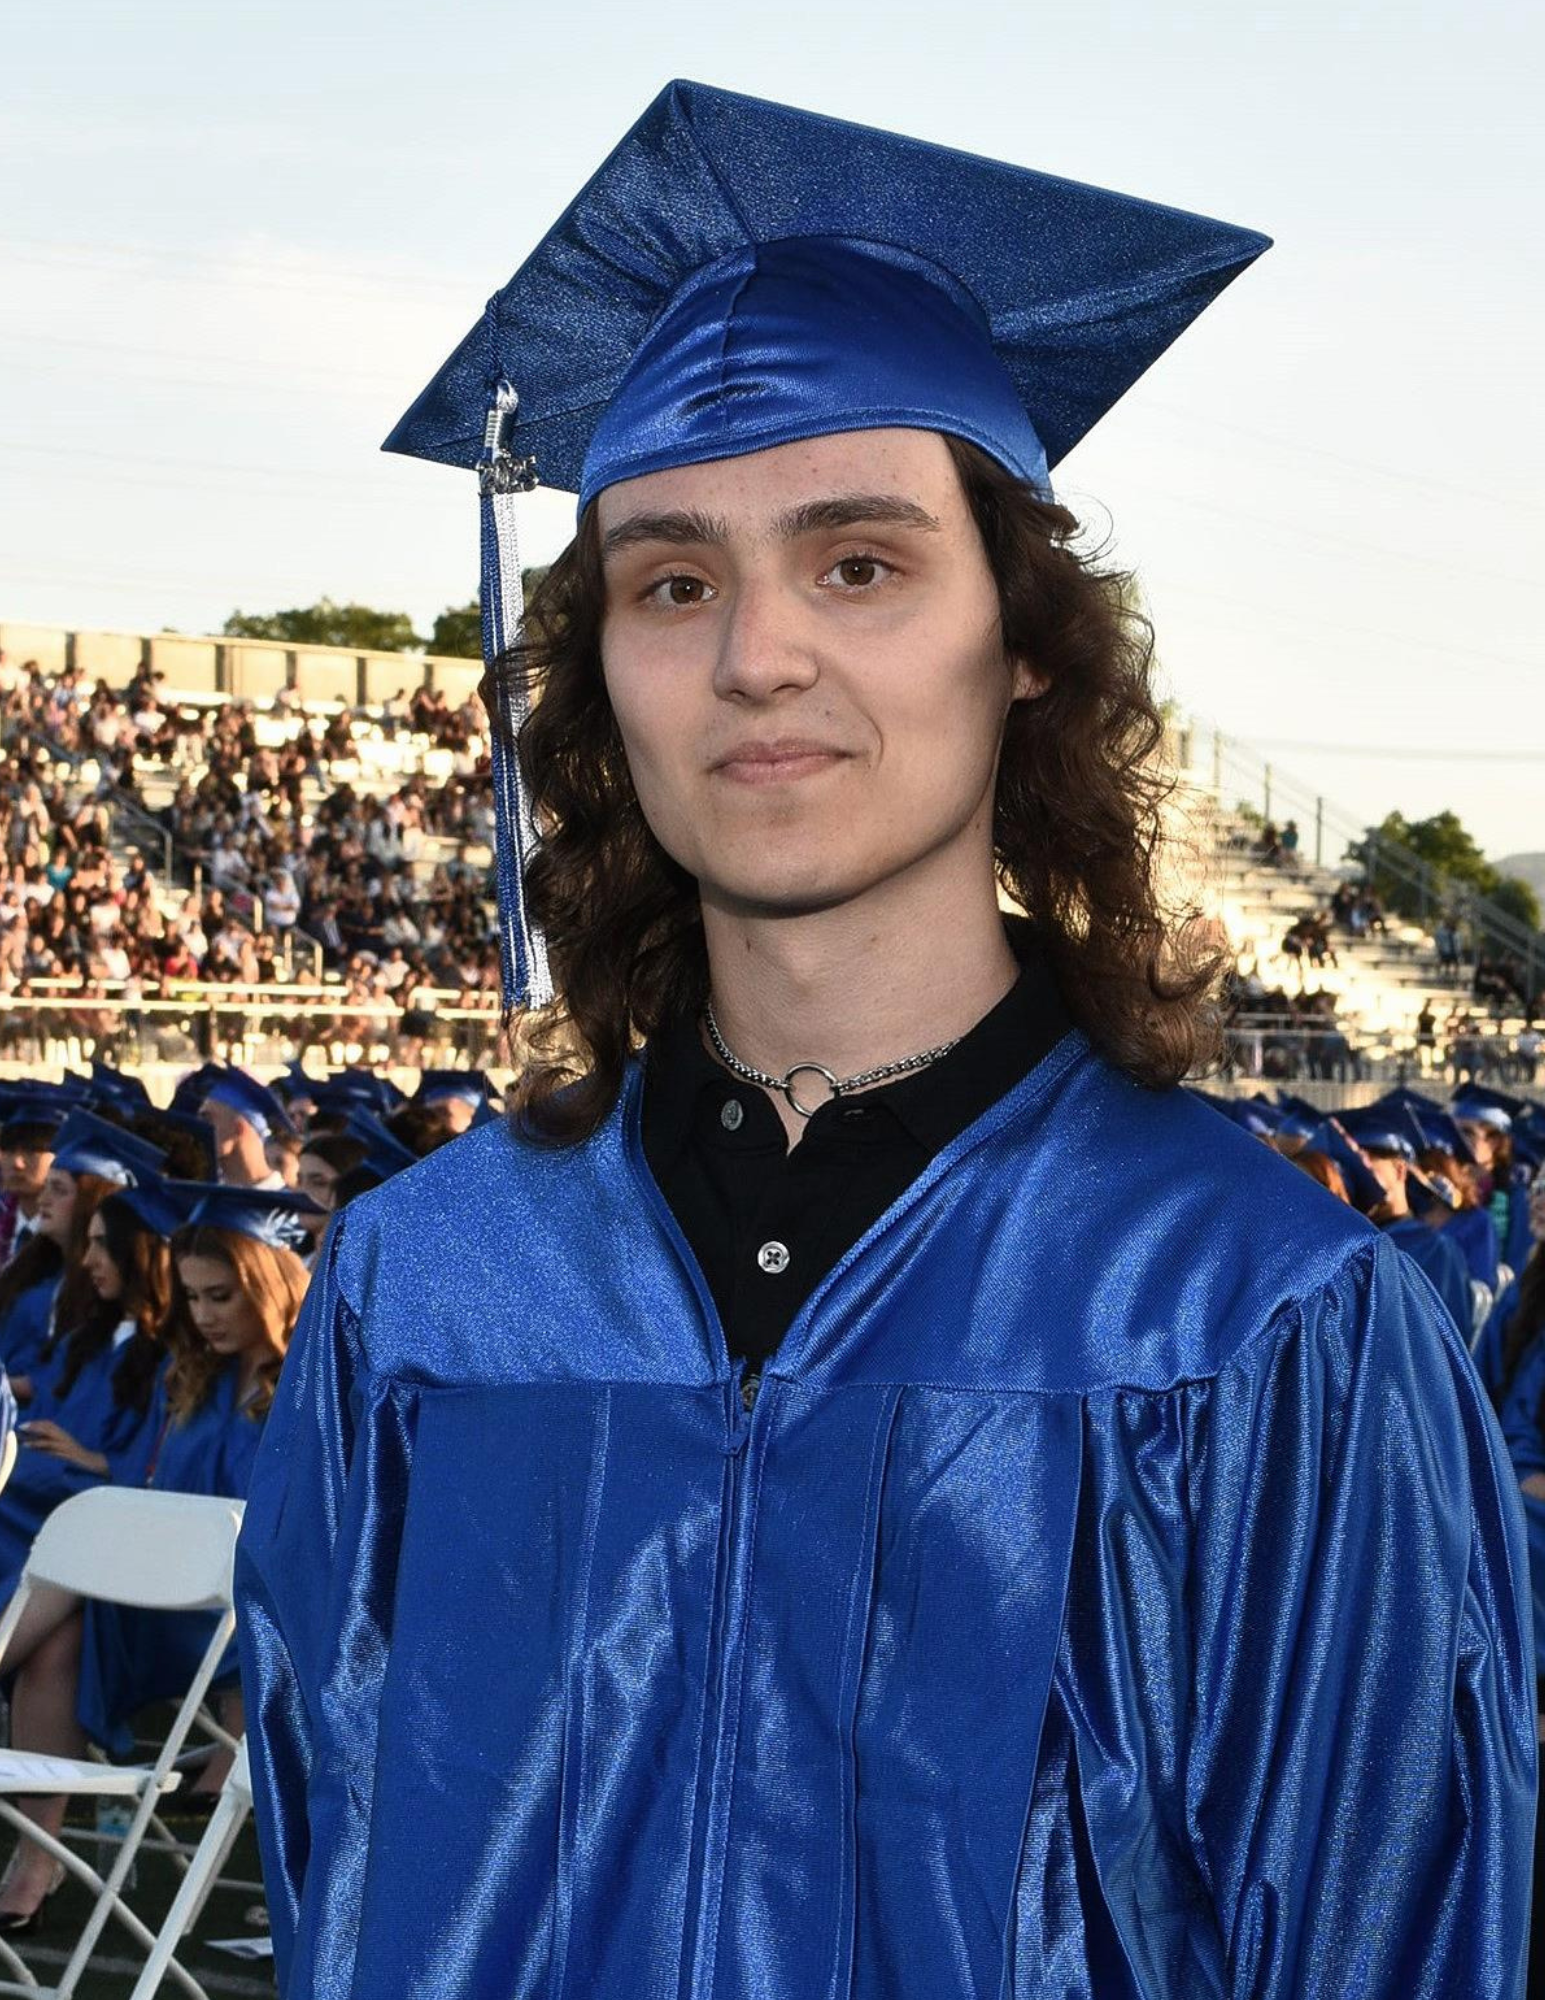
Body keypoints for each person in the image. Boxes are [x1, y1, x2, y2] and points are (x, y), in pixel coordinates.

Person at [237, 83, 1534, 2000]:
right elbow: (333, 1888)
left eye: (859, 563)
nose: (758, 654)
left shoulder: (1260, 1329)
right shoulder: (424, 1304)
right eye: (674, 581)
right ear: (598, 670)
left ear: (1020, 638)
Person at [0, 1184, 313, 1934]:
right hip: (159, 1604)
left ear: (268, 1288)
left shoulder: (311, 1392)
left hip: (253, 1620)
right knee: (63, 1636)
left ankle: (32, 1865)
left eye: (221, 1297)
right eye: (195, 1297)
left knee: (72, 1591)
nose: (202, 1316)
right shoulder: (192, 1378)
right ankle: (33, 1861)